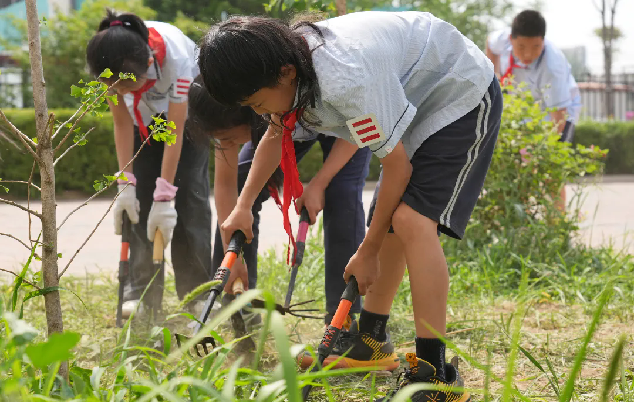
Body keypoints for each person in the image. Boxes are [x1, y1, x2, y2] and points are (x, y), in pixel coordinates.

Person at [198, 11, 502, 401]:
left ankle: (436, 373)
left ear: (286, 73)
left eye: (258, 102)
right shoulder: (289, 67)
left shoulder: (344, 79)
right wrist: (242, 206)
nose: (261, 114)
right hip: (412, 90)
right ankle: (369, 343)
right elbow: (277, 130)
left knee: (409, 220)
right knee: (389, 218)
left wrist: (369, 249)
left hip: (457, 89)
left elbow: (396, 168)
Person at [186, 76, 372, 340]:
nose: (227, 145)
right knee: (241, 191)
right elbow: (227, 189)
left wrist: (319, 183)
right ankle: (238, 308)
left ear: (253, 109)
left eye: (228, 138)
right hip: (282, 122)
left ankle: (342, 320)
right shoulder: (250, 107)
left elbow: (358, 128)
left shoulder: (313, 86)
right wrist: (234, 258)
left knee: (341, 194)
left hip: (347, 123)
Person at [86, 10, 212, 317]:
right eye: (113, 87)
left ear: (147, 64)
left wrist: (166, 195)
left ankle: (197, 292)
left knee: (189, 200)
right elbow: (121, 123)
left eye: (125, 86)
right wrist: (125, 182)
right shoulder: (109, 63)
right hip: (143, 122)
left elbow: (175, 129)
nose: (118, 92)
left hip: (186, 120)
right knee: (140, 203)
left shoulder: (177, 61)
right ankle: (140, 293)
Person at [486, 9, 581, 210]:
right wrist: (493, 78)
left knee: (550, 171)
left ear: (543, 41)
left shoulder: (552, 66)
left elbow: (558, 118)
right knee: (512, 167)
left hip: (557, 112)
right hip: (524, 109)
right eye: (521, 47)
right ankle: (520, 221)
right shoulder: (501, 40)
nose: (528, 54)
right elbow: (490, 44)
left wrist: (540, 151)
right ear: (511, 39)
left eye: (536, 47)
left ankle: (557, 230)